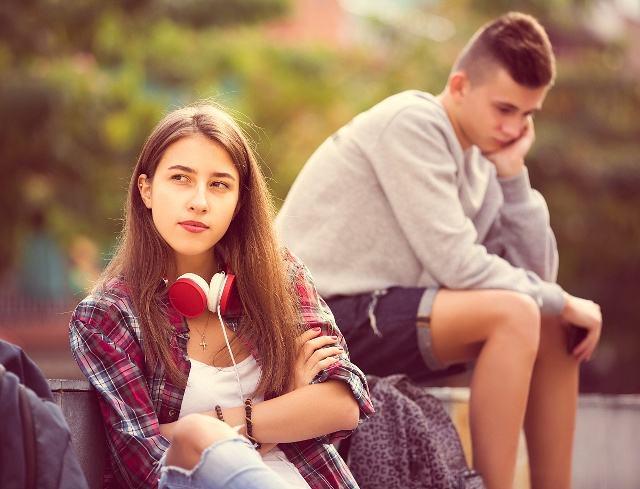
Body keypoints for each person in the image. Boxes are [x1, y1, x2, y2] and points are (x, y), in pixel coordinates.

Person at [276, 11, 602, 489]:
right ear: (461, 84)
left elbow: (538, 281)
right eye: (505, 109)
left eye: (527, 115)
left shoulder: (482, 159)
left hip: (382, 313)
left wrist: (513, 176)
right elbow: (457, 264)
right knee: (513, 314)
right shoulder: (414, 124)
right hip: (313, 320)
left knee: (555, 323)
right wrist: (555, 297)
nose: (514, 128)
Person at [69, 103, 374, 489]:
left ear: (239, 201)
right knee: (195, 435)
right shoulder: (108, 316)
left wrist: (222, 425)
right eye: (181, 178)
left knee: (194, 432)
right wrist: (284, 413)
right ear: (146, 189)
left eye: (219, 184)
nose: (199, 201)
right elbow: (148, 467)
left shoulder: (280, 278)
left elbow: (342, 404)